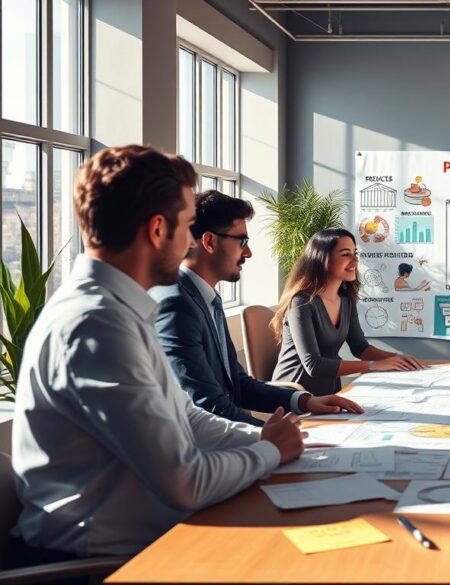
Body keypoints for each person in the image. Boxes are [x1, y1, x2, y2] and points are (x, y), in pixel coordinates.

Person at [10, 146, 304, 561]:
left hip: (145, 540)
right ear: (157, 231)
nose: (189, 243)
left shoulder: (119, 309)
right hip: (99, 564)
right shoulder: (95, 326)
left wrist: (262, 437)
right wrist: (270, 451)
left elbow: (186, 415)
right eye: (186, 227)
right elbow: (185, 481)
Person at [150, 191, 363, 425]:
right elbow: (206, 405)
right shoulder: (177, 303)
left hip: (230, 434)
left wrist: (305, 401)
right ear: (209, 242)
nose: (248, 253)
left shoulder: (208, 299)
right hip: (205, 446)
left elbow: (238, 384)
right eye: (242, 241)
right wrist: (271, 435)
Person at [272, 228, 426, 395]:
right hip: (294, 395)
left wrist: (395, 358)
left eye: (355, 253)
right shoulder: (301, 303)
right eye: (346, 254)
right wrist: (373, 366)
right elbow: (313, 365)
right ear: (322, 259)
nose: (355, 260)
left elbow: (360, 348)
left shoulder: (346, 300)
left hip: (329, 394)